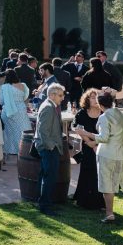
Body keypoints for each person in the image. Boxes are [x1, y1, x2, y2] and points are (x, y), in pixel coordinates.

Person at [74, 90, 123, 224]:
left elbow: (104, 138)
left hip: (106, 155)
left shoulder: (104, 117)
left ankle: (109, 214)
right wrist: (93, 141)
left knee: (107, 186)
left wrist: (86, 133)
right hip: (121, 154)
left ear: (100, 105)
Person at [33, 82, 67, 216]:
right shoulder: (48, 107)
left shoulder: (50, 105)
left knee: (45, 176)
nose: (62, 98)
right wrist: (51, 146)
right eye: (60, 95)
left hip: (48, 147)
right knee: (49, 177)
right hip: (48, 148)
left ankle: (43, 202)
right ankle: (45, 206)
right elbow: (43, 131)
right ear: (52, 95)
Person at [72, 89, 105, 210]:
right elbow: (78, 129)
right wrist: (90, 143)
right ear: (87, 100)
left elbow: (106, 133)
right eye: (92, 97)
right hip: (87, 147)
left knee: (99, 173)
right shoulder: (82, 113)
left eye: (96, 97)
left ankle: (100, 202)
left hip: (102, 146)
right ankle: (83, 200)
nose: (95, 99)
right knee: (87, 172)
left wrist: (96, 144)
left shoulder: (104, 113)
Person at [0, 69, 29, 159]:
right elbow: (26, 97)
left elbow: (1, 101)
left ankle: (10, 150)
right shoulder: (23, 85)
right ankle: (24, 149)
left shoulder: (5, 87)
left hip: (9, 112)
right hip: (21, 111)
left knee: (8, 132)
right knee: (22, 130)